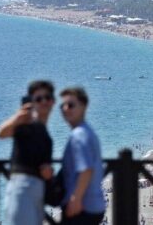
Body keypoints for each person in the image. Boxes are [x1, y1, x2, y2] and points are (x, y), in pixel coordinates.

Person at [0, 80, 55, 225]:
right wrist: (17, 117)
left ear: (53, 101)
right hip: (22, 187)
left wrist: (48, 172)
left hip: (37, 189)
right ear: (32, 102)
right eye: (38, 99)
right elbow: (1, 133)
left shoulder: (45, 132)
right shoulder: (26, 124)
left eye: (47, 97)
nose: (43, 102)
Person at [59, 87, 105, 224]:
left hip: (82, 207)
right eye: (63, 106)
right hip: (94, 204)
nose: (66, 109)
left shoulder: (78, 135)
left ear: (84, 106)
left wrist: (76, 198)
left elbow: (86, 169)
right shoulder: (88, 131)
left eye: (71, 105)